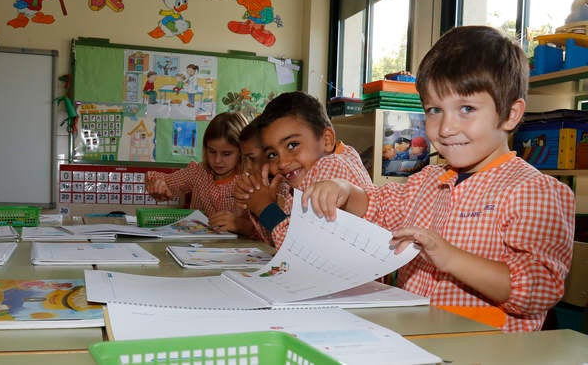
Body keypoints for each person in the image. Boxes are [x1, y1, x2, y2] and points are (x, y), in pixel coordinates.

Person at [305, 26, 575, 332]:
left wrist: (451, 258)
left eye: (466, 109)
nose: (445, 128)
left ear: (511, 115)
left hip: (488, 350)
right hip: (418, 338)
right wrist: (344, 190)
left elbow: (539, 289)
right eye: (434, 110)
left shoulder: (533, 192)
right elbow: (378, 206)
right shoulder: (427, 181)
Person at [234, 91, 373, 248]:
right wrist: (269, 204)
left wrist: (265, 208)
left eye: (292, 145)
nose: (282, 163)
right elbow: (278, 243)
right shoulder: (309, 171)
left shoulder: (332, 167)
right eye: (272, 154)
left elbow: (301, 249)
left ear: (327, 140)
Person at [145, 111, 255, 237]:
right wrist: (158, 185)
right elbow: (162, 180)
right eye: (212, 151)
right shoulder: (198, 172)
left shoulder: (250, 181)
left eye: (226, 154)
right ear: (205, 148)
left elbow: (265, 231)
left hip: (239, 250)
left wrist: (240, 225)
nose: (217, 160)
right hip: (196, 248)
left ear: (242, 151)